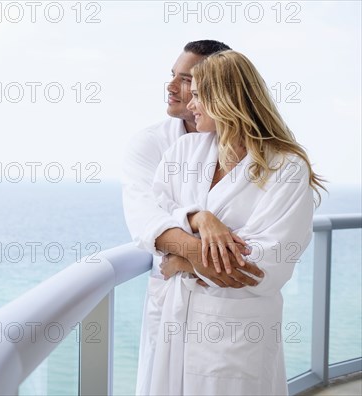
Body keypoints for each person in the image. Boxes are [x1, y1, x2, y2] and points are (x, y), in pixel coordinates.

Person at [138, 50, 325, 395]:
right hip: (173, 321)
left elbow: (263, 264)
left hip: (236, 332)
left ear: (225, 98)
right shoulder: (183, 153)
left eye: (197, 95)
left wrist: (183, 258)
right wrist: (196, 217)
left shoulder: (285, 167)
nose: (190, 106)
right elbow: (152, 215)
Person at [122, 40, 264, 394]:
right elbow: (145, 219)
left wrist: (185, 262)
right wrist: (198, 225)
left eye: (187, 81)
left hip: (227, 312)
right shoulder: (151, 144)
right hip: (171, 301)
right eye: (174, 76)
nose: (172, 87)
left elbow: (256, 257)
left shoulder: (262, 157)